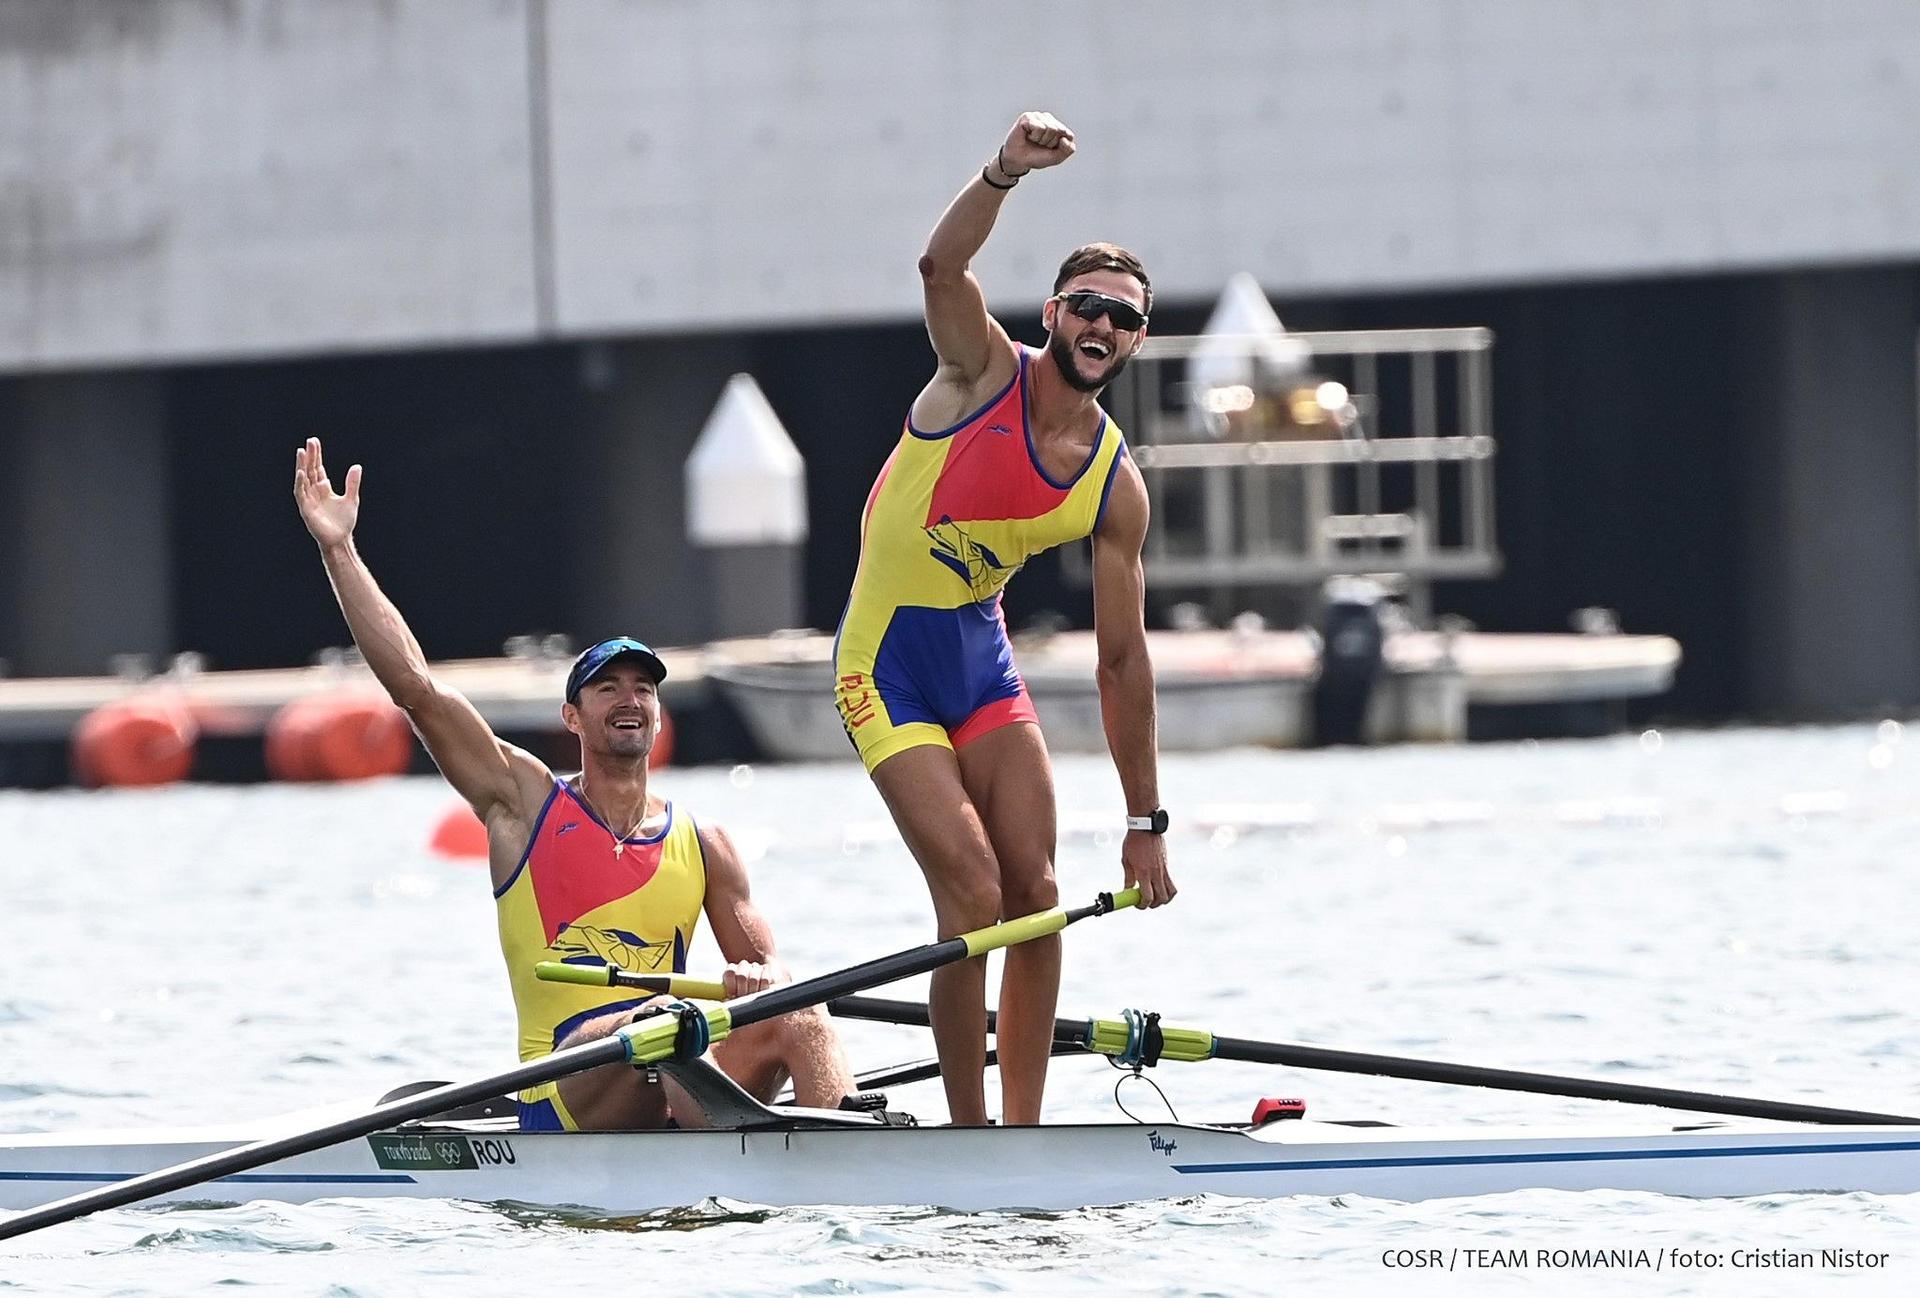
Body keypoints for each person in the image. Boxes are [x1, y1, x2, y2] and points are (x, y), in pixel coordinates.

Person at [293, 436, 855, 1131]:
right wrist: (338, 550)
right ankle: (722, 1136)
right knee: (664, 1022)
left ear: (657, 713)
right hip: (563, 1092)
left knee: (800, 1011)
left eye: (644, 688)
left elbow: (765, 969)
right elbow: (418, 690)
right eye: (608, 687)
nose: (629, 698)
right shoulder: (522, 803)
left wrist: (763, 982)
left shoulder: (704, 844)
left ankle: (847, 1155)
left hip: (676, 1058)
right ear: (572, 717)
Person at [833, 112, 1177, 1127]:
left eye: (1121, 316)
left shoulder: (1117, 489)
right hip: (883, 664)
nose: (1100, 325)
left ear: (1136, 340)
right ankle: (969, 1133)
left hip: (980, 666)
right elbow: (941, 265)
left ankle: (1018, 1138)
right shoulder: (980, 371)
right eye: (1086, 305)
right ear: (1055, 311)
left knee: (1035, 891)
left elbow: (1123, 663)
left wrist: (1147, 823)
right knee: (975, 894)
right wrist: (1002, 173)